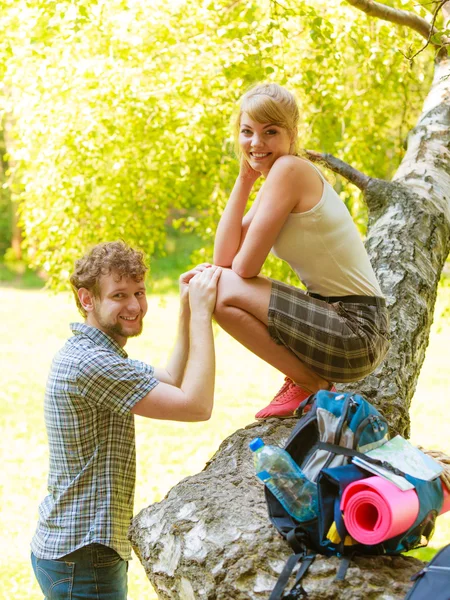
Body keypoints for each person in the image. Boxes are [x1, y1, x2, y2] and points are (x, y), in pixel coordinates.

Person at [30, 240, 222, 600]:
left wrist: (184, 308)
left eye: (139, 292)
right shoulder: (92, 365)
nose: (135, 305)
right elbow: (196, 406)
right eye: (119, 295)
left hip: (77, 550)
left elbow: (170, 377)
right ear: (87, 300)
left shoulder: (96, 353)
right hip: (83, 557)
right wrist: (201, 314)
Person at [213, 83, 390, 419]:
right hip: (343, 324)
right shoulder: (276, 179)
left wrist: (219, 274)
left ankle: (310, 383)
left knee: (217, 288)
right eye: (247, 132)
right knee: (215, 291)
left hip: (358, 330)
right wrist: (243, 180)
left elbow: (243, 268)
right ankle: (307, 380)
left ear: (291, 135)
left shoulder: (290, 170)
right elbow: (223, 259)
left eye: (270, 132)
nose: (256, 143)